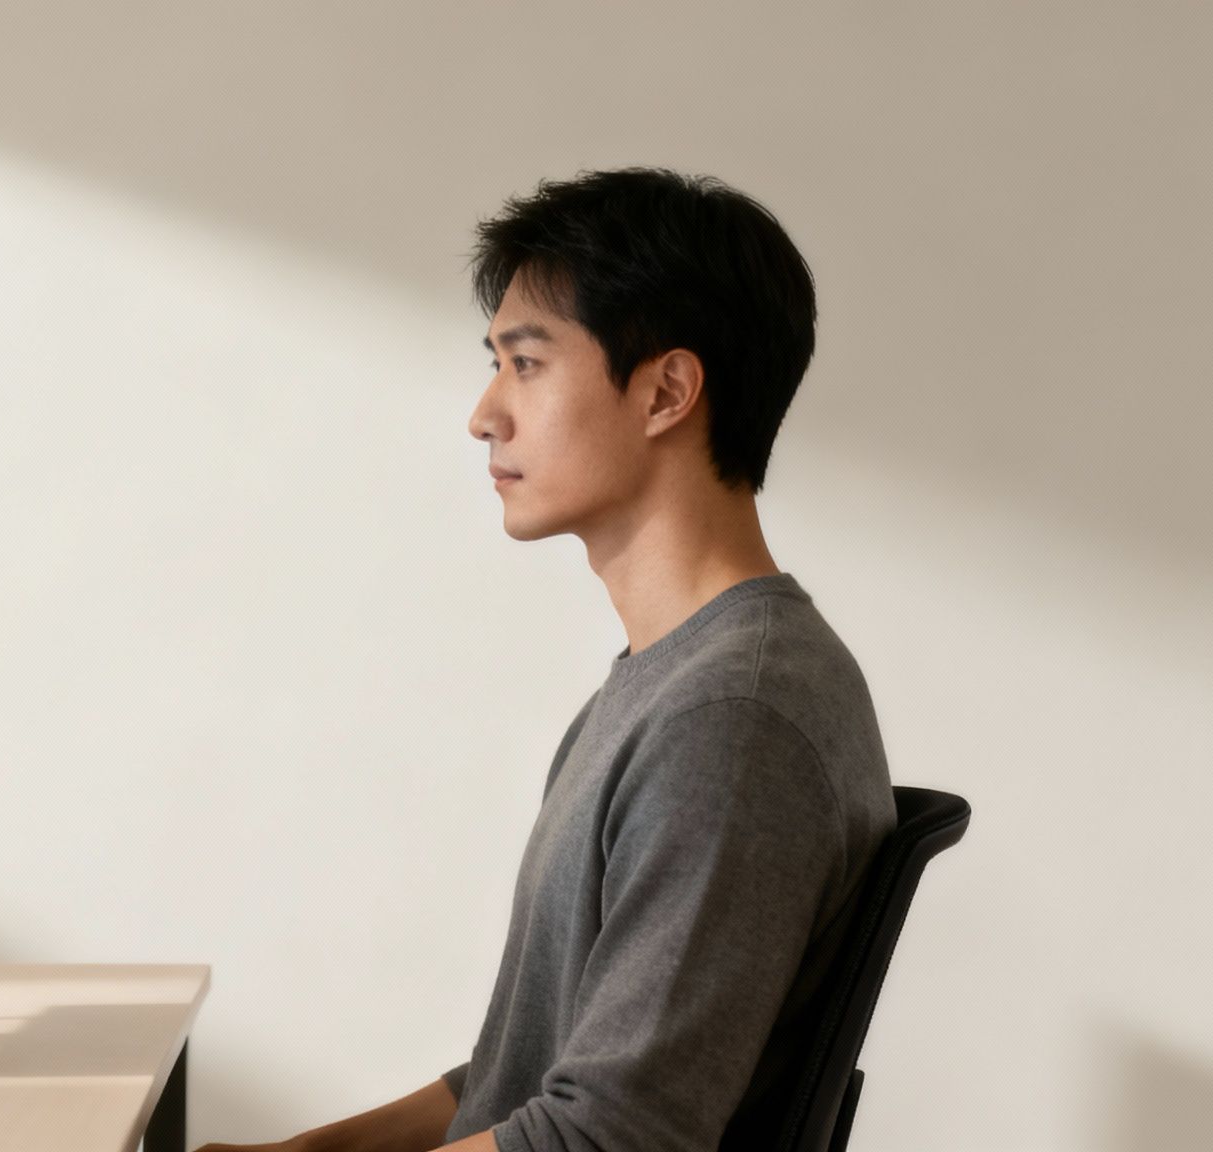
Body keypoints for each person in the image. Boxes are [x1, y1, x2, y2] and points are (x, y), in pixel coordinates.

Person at [196, 166, 896, 1152]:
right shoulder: (676, 683)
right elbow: (525, 1074)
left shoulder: (729, 721)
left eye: (524, 364)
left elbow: (610, 1138)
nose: (484, 412)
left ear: (664, 391)